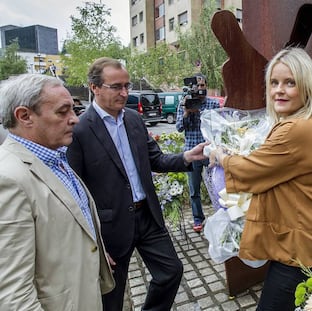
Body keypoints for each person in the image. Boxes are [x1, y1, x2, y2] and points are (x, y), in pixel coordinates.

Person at [66, 57, 208, 311]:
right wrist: (92, 243)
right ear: (94, 87)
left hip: (148, 217)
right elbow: (73, 191)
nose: (124, 93)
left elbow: (156, 159)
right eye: (116, 87)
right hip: (110, 226)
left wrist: (187, 157)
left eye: (127, 86)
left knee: (171, 272)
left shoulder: (133, 119)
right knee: (113, 296)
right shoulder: (80, 131)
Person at [209, 47, 312, 310]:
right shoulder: (308, 123)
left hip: (299, 248)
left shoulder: (297, 129)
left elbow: (250, 171)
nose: (279, 90)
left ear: (307, 87)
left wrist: (220, 155)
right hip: (304, 241)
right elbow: (271, 166)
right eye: (274, 82)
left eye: (290, 82)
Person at [0, 74, 114, 310]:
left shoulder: (53, 157)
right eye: (63, 112)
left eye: (73, 110)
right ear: (24, 116)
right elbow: (13, 295)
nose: (75, 120)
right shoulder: (9, 179)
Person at [176, 73, 220, 232]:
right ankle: (197, 219)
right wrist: (187, 112)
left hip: (210, 153)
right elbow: (179, 127)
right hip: (192, 152)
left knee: (217, 186)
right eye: (197, 86)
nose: (200, 88)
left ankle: (220, 217)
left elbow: (218, 127)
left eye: (202, 85)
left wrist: (201, 113)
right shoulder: (184, 103)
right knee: (194, 190)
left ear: (206, 86)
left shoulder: (213, 104)